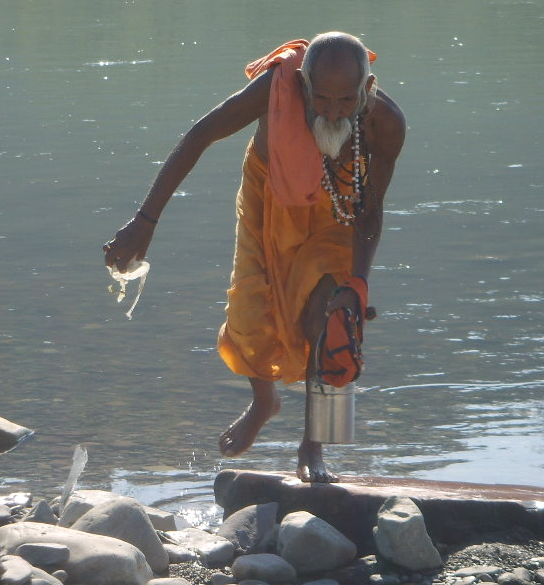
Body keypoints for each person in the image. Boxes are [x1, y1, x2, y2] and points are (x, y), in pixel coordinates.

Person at [103, 32, 405, 483]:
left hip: (338, 213)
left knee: (335, 320)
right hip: (271, 197)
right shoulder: (274, 89)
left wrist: (358, 286)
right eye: (320, 97)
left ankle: (314, 447)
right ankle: (265, 401)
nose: (332, 110)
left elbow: (370, 210)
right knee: (249, 312)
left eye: (345, 100)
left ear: (367, 88)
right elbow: (199, 136)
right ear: (302, 83)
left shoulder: (386, 123)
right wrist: (145, 221)